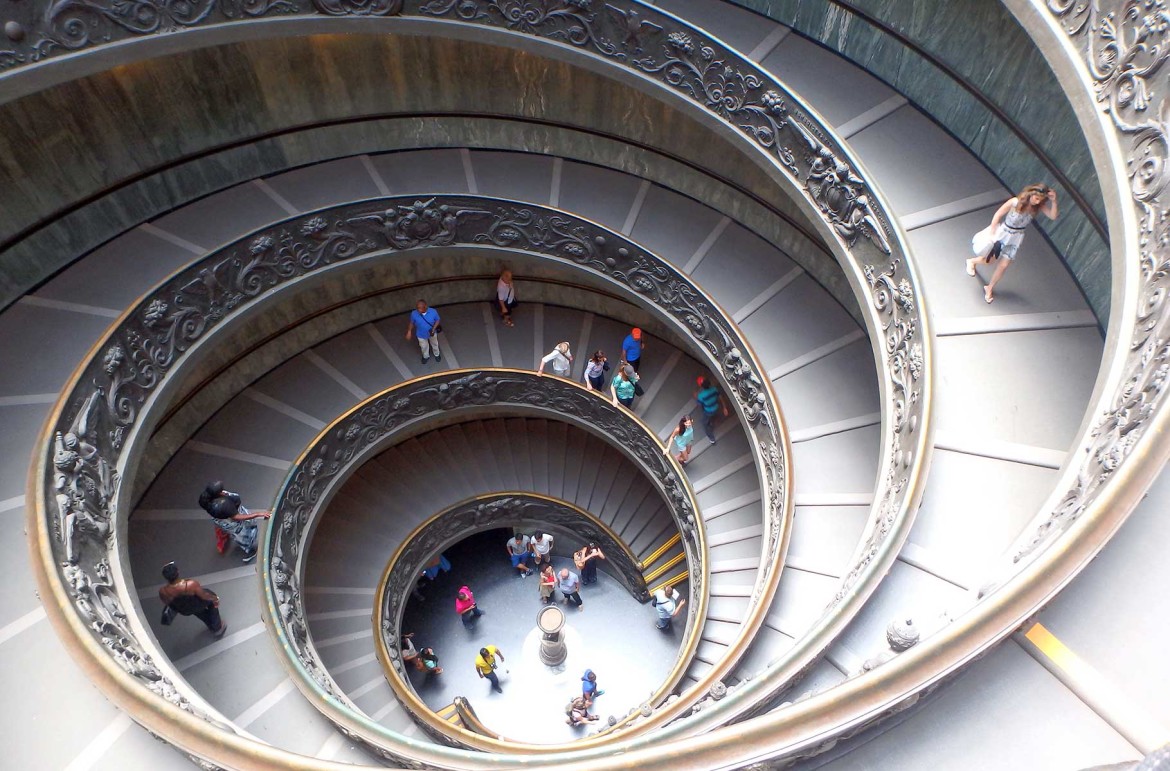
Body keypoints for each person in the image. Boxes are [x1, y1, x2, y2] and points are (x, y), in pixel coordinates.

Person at [965, 183, 1058, 304]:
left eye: (1040, 200)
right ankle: (972, 261)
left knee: (1003, 266)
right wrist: (992, 233)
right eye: (1036, 198)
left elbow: (1053, 216)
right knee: (990, 260)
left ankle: (990, 287)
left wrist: (1054, 201)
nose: (1037, 202)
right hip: (1003, 233)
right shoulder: (1015, 202)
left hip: (1016, 237)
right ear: (1031, 194)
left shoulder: (1038, 207)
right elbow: (998, 214)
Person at [198, 481, 270, 562]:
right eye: (221, 491)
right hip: (232, 522)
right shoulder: (223, 506)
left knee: (222, 527)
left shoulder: (205, 498)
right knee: (244, 535)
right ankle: (251, 550)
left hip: (221, 520)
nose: (223, 492)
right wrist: (257, 514)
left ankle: (223, 535)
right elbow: (236, 517)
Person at [158, 562, 227, 638]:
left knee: (200, 613)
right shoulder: (190, 585)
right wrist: (215, 598)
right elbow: (204, 596)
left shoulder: (163, 591)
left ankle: (211, 626)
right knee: (212, 605)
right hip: (196, 603)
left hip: (185, 609)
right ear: (178, 572)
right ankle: (217, 627)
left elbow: (167, 602)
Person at [405, 299, 442, 364]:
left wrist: (433, 329)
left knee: (435, 344)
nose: (418, 310)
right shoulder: (414, 313)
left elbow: (437, 320)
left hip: (432, 333)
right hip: (421, 334)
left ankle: (437, 354)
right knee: (423, 346)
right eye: (417, 308)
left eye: (419, 308)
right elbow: (411, 322)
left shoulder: (433, 311)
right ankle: (425, 356)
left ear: (425, 307)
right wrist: (409, 331)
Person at [695, 377, 729, 445]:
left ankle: (712, 439)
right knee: (713, 417)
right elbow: (721, 397)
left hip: (708, 412)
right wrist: (724, 408)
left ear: (701, 386)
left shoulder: (701, 396)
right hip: (716, 408)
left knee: (705, 424)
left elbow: (699, 404)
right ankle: (712, 421)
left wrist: (696, 396)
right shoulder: (714, 389)